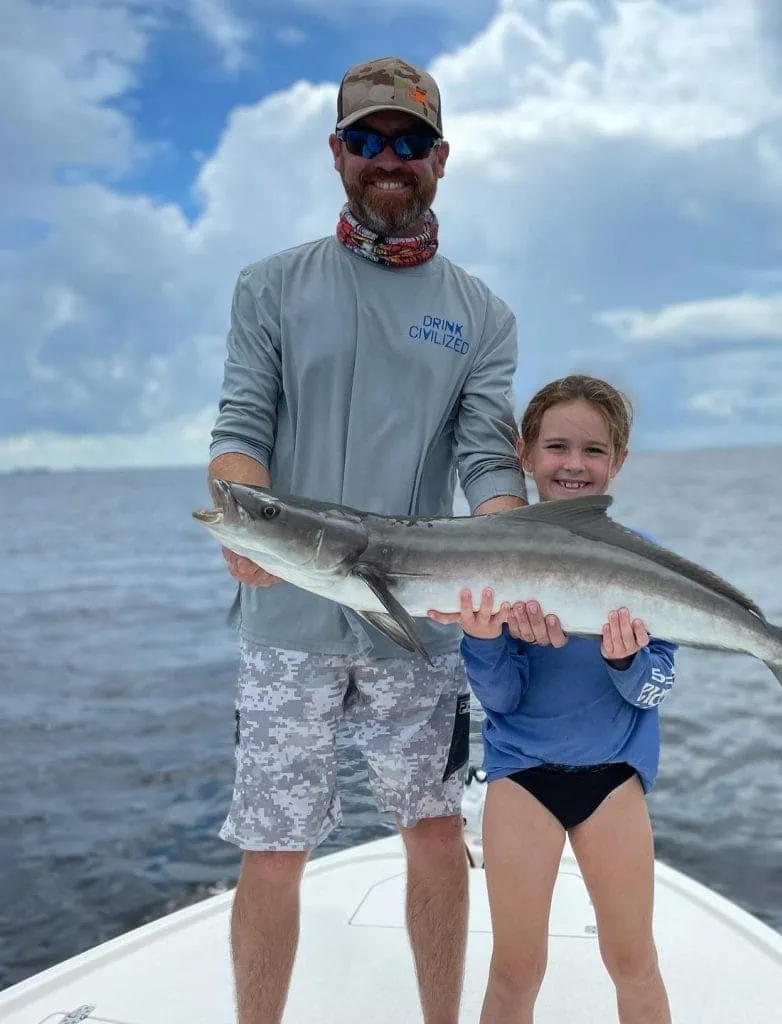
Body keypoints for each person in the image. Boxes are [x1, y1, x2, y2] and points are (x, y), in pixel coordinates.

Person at [206, 56, 527, 1024]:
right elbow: (241, 425)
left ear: (441, 157)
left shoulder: (481, 314)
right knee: (273, 849)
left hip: (419, 625)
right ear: (337, 151)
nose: (390, 158)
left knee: (434, 833)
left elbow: (486, 457)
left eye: (410, 141)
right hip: (287, 619)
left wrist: (510, 558)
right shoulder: (270, 285)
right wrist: (242, 515)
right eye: (369, 139)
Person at [427, 375, 676, 1023]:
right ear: (525, 454)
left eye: (594, 450)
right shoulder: (493, 559)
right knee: (515, 971)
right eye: (557, 446)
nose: (574, 463)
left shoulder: (645, 560)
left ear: (618, 461)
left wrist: (624, 660)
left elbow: (659, 685)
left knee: (634, 963)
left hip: (613, 779)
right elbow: (502, 699)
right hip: (522, 777)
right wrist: (484, 640)